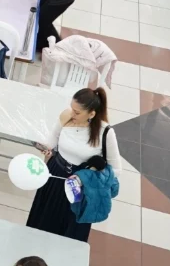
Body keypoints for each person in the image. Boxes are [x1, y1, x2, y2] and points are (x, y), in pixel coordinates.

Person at [27, 88, 119, 242]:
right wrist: (45, 149)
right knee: (43, 222)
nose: (72, 114)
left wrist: (90, 173)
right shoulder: (66, 116)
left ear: (91, 114)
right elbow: (51, 142)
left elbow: (116, 170)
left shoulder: (105, 133)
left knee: (69, 231)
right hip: (55, 175)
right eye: (72, 108)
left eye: (77, 112)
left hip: (81, 187)